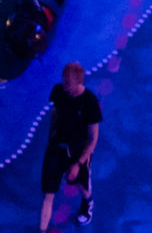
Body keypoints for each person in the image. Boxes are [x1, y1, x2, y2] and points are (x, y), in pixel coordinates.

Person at [38, 61, 101, 228]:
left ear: (79, 82)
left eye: (68, 83)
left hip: (78, 151)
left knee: (81, 184)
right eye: (64, 81)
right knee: (48, 193)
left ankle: (87, 203)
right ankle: (41, 230)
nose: (65, 86)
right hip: (57, 147)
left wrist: (79, 163)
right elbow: (55, 112)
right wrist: (51, 137)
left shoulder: (90, 103)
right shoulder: (58, 91)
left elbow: (93, 138)